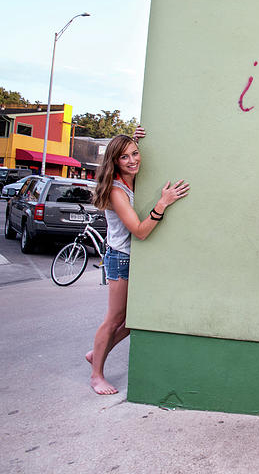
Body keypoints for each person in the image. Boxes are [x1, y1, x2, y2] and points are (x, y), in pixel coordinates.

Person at [86, 127, 189, 395]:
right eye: (124, 157)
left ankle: (97, 351)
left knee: (133, 321)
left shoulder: (134, 179)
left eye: (135, 154)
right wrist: (163, 203)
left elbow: (139, 148)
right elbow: (140, 231)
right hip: (120, 258)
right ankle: (96, 374)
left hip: (135, 259)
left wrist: (140, 136)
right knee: (114, 319)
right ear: (115, 162)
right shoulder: (116, 191)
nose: (133, 160)